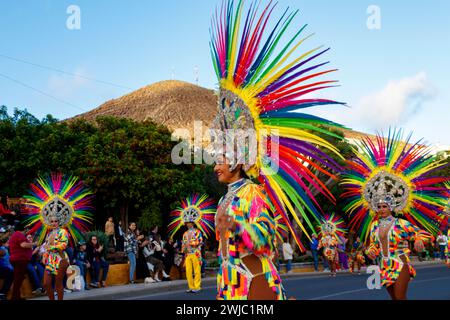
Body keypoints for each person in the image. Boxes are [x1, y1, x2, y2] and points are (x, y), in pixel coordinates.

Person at [209, 0, 346, 300]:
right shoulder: (227, 196)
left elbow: (266, 237)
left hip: (252, 281)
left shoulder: (252, 194)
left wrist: (236, 224)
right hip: (230, 283)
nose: (215, 165)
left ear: (237, 160)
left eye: (220, 159)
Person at [341, 130, 447, 300]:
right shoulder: (374, 225)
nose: (381, 209)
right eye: (379, 206)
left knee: (400, 297)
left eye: (385, 206)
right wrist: (369, 251)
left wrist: (419, 239)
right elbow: (373, 245)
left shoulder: (400, 223)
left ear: (391, 207)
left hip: (400, 262)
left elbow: (422, 233)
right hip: (383, 265)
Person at [42, 216, 70, 300]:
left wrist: (50, 248)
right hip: (50, 260)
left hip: (60, 259)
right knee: (46, 283)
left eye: (55, 221)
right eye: (52, 221)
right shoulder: (49, 234)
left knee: (58, 283)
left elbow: (64, 245)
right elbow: (46, 248)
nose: (54, 223)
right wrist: (44, 256)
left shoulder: (63, 231)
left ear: (58, 222)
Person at [8, 222, 37, 300]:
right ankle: (15, 297)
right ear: (23, 229)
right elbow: (23, 245)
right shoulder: (19, 235)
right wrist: (34, 244)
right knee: (18, 279)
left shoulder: (15, 235)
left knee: (19, 278)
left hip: (18, 260)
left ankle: (16, 296)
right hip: (19, 260)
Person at [182, 222, 203, 293]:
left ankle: (197, 287)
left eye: (189, 223)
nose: (188, 224)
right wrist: (184, 249)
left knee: (197, 271)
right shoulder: (185, 233)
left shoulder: (198, 232)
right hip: (188, 254)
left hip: (195, 253)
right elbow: (183, 244)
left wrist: (189, 243)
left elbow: (200, 241)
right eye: (187, 223)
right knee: (188, 271)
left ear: (193, 223)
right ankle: (191, 287)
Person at [0, 233, 13, 300]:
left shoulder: (5, 249)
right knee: (10, 272)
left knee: (11, 272)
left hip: (5, 268)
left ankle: (2, 293)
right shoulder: (3, 249)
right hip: (3, 268)